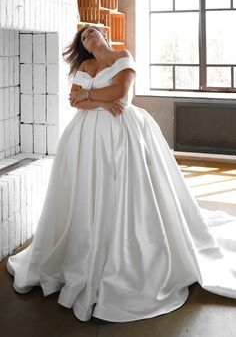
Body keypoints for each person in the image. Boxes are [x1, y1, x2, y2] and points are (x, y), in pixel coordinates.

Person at [6, 26, 236, 323]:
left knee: (126, 191)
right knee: (86, 191)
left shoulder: (123, 56)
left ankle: (129, 252)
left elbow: (120, 93)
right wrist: (99, 101)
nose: (87, 37)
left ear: (103, 35)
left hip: (122, 134)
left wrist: (90, 97)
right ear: (84, 47)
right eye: (83, 37)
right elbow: (74, 100)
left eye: (91, 32)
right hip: (84, 139)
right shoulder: (84, 65)